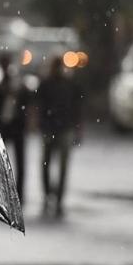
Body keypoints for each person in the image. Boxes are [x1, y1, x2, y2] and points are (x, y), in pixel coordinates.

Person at [36, 58, 83, 218]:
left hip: (61, 128)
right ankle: (51, 196)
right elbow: (40, 106)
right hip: (53, 128)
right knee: (50, 165)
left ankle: (55, 198)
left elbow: (76, 107)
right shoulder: (49, 84)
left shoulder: (67, 84)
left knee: (55, 165)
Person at [0, 53, 31, 205]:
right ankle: (4, 193)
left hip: (15, 126)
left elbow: (27, 99)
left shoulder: (17, 84)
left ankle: (18, 194)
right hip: (5, 127)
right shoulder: (0, 87)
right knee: (5, 162)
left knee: (17, 162)